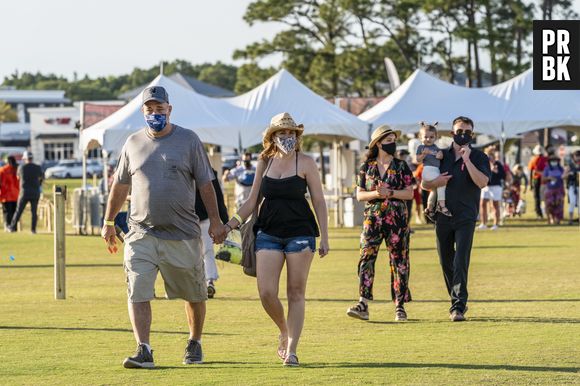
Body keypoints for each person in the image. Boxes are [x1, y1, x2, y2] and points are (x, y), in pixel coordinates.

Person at [101, 86, 226, 369]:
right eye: (149, 109)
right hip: (141, 232)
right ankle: (143, 348)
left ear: (169, 110)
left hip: (182, 233)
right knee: (138, 289)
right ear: (142, 111)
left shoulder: (189, 140)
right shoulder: (132, 143)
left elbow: (206, 184)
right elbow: (120, 185)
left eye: (160, 109)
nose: (155, 114)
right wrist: (109, 222)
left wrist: (216, 221)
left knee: (194, 293)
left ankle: (194, 342)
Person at [221, 112, 329, 367]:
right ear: (273, 136)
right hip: (268, 232)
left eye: (291, 132)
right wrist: (228, 225)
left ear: (297, 135)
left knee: (295, 292)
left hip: (301, 234)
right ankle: (284, 329)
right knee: (266, 292)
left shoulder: (306, 162)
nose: (287, 136)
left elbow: (319, 200)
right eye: (282, 132)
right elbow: (251, 201)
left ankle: (292, 350)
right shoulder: (264, 161)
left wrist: (325, 236)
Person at [422, 116, 490, 322]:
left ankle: (457, 306)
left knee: (461, 260)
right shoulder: (440, 155)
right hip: (443, 216)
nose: (463, 135)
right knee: (446, 261)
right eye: (460, 131)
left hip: (466, 217)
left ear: (472, 134)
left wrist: (467, 160)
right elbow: (425, 184)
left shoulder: (479, 157)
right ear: (451, 133)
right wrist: (437, 181)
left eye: (467, 132)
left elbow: (482, 182)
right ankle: (456, 298)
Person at [346, 124, 415, 322]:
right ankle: (363, 302)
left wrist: (390, 193)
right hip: (372, 219)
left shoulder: (401, 166)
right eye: (388, 141)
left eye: (394, 140)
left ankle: (399, 305)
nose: (392, 144)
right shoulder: (366, 167)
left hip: (397, 220)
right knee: (366, 258)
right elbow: (359, 195)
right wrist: (376, 193)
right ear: (378, 143)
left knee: (399, 260)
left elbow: (410, 193)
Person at [195, 168, 229, 298]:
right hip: (186, 219)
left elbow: (218, 198)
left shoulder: (210, 172)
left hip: (204, 218)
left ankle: (209, 282)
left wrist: (226, 222)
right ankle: (195, 283)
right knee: (199, 252)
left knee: (207, 251)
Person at [416, 122, 450, 219]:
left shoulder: (436, 147)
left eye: (431, 137)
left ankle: (429, 207)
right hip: (428, 171)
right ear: (420, 137)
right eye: (426, 137)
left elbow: (441, 155)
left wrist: (440, 155)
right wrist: (423, 154)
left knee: (435, 190)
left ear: (435, 137)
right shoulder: (421, 147)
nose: (428, 139)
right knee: (442, 184)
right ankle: (441, 205)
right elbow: (418, 160)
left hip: (435, 171)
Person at [8, 151, 43, 233]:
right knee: (34, 212)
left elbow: (18, 178)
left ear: (25, 159)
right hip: (35, 192)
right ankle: (33, 230)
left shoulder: (21, 167)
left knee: (18, 211)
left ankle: (12, 227)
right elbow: (41, 178)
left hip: (24, 192)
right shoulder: (37, 167)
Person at [478, 148, 505, 230]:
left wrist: (496, 171)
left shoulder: (498, 164)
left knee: (495, 205)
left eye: (490, 156)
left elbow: (503, 175)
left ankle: (496, 224)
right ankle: (483, 224)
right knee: (482, 204)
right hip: (486, 186)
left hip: (496, 186)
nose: (489, 157)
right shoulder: (484, 164)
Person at [542, 155, 565, 225]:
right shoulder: (547, 169)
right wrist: (549, 178)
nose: (554, 162)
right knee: (549, 204)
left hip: (559, 189)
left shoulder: (561, 169)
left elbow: (564, 177)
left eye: (555, 161)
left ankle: (557, 219)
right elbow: (543, 179)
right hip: (550, 189)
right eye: (552, 161)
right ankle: (549, 219)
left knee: (559, 204)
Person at [0, 156, 20, 231]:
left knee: (7, 212)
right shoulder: (17, 169)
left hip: (5, 195)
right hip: (16, 194)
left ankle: (8, 226)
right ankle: (14, 227)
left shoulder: (2, 170)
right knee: (15, 212)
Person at [528, 145, 548, 219]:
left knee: (537, 197)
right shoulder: (546, 159)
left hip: (537, 179)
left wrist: (530, 184)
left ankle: (539, 213)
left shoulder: (533, 160)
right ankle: (545, 212)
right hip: (546, 180)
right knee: (545, 197)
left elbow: (531, 172)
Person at [564, 150, 580, 225]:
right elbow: (563, 176)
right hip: (572, 186)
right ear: (573, 157)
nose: (578, 158)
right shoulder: (570, 165)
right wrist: (569, 174)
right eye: (576, 156)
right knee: (572, 202)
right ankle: (570, 219)